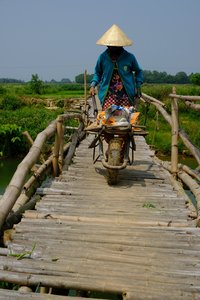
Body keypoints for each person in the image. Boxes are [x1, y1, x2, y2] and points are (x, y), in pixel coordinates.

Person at [89, 24, 144, 111]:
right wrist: (93, 85)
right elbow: (98, 73)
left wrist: (138, 85)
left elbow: (138, 71)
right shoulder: (103, 57)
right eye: (110, 46)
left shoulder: (129, 57)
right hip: (108, 95)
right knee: (108, 118)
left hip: (126, 95)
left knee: (124, 118)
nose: (112, 48)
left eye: (115, 46)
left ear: (121, 45)